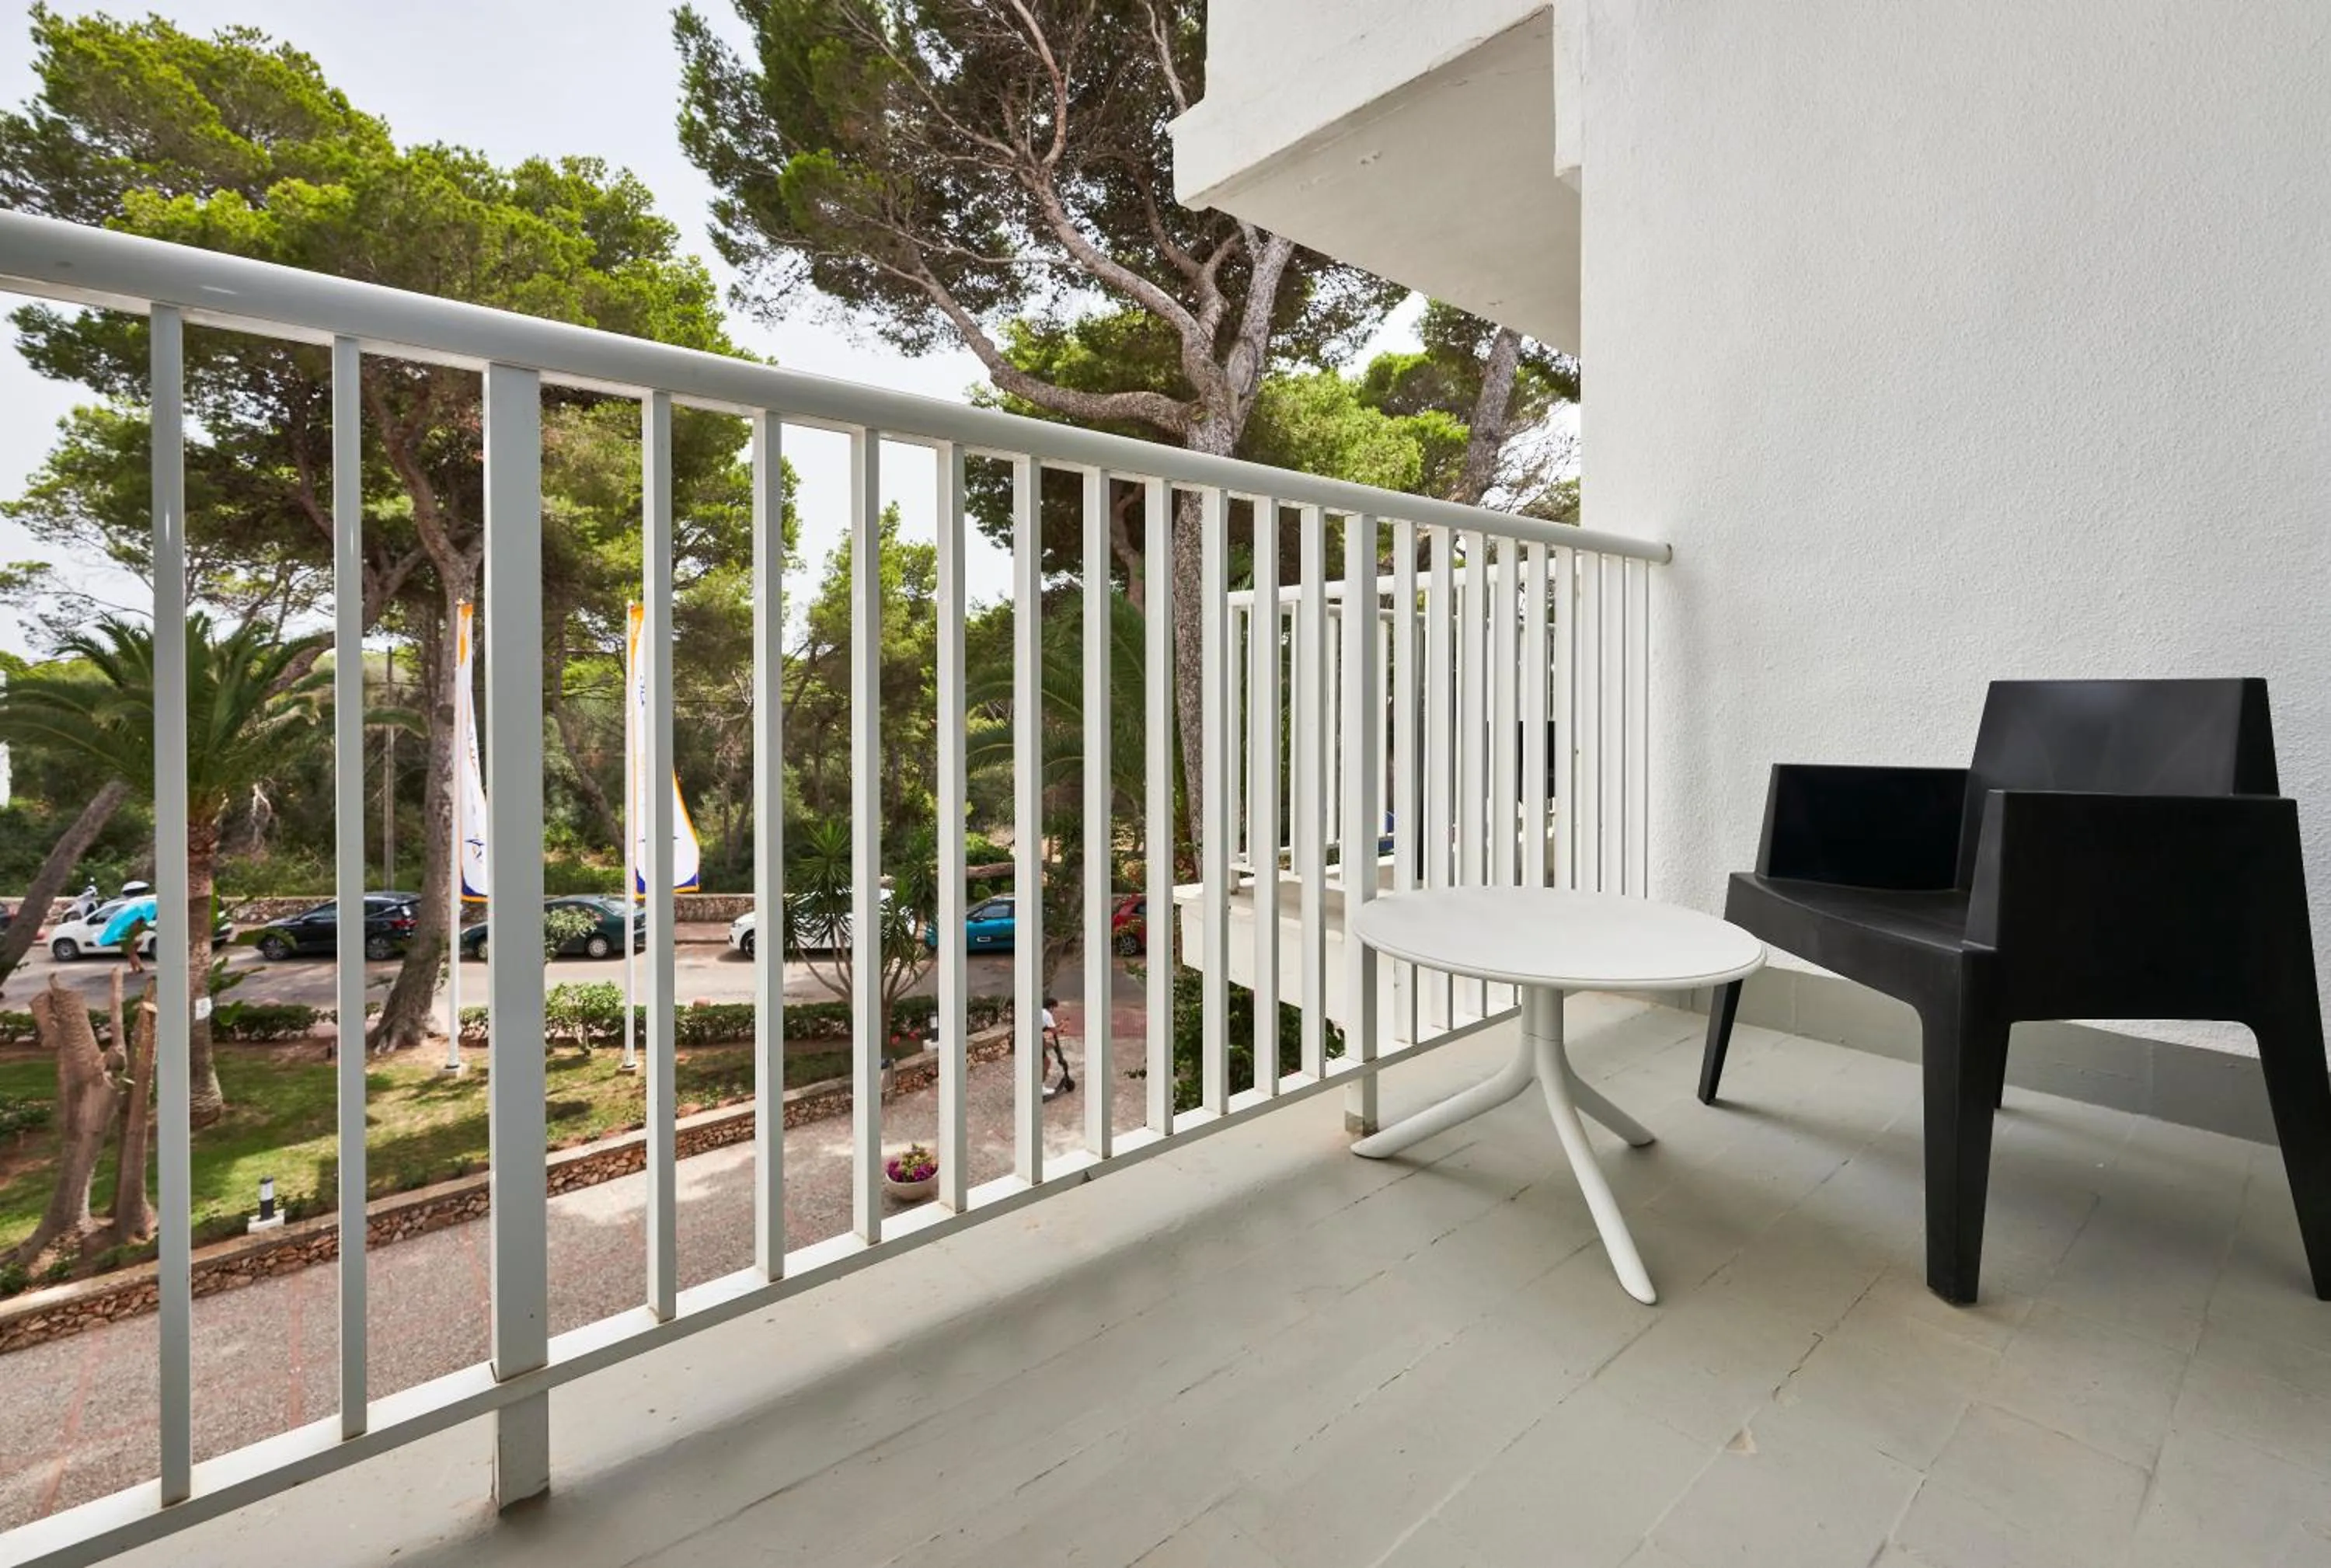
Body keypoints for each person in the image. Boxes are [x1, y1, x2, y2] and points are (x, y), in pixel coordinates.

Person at [1040, 995, 1075, 1099]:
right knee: (1047, 1062)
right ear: (1051, 1007)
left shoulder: (1041, 1012)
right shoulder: (1047, 1014)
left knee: (1047, 1047)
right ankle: (1040, 1089)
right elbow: (1054, 1031)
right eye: (1054, 1008)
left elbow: (1047, 1027)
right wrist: (1064, 1026)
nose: (1053, 1011)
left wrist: (1059, 1024)